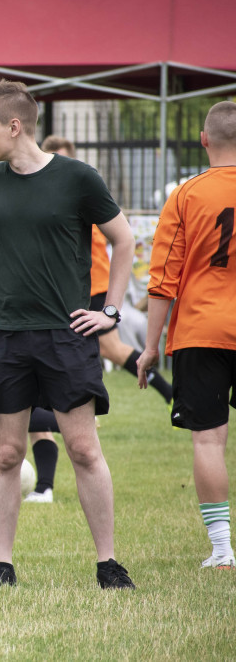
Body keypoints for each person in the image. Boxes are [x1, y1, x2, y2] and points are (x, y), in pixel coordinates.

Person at [0, 80, 136, 589]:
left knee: (84, 449)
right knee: (6, 453)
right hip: (2, 333)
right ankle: (1, 565)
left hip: (66, 333)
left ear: (14, 126)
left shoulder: (76, 178)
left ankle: (108, 564)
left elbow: (123, 238)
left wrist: (109, 311)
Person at [21, 136, 173, 504]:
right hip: (60, 293)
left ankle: (169, 396)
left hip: (89, 289)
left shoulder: (81, 188)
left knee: (104, 353)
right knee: (105, 354)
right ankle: (46, 482)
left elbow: (118, 238)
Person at [137, 100, 236, 570]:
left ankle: (221, 550)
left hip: (201, 331)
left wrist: (150, 346)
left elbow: (163, 278)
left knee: (209, 441)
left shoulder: (185, 195)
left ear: (203, 139)